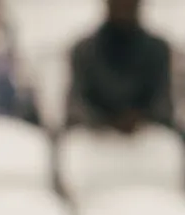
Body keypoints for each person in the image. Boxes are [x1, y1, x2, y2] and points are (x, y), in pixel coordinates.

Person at [67, 0, 174, 132]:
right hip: (95, 139)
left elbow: (163, 105)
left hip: (145, 137)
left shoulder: (158, 50)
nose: (124, 4)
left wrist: (140, 119)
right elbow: (76, 106)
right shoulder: (83, 51)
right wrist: (107, 121)